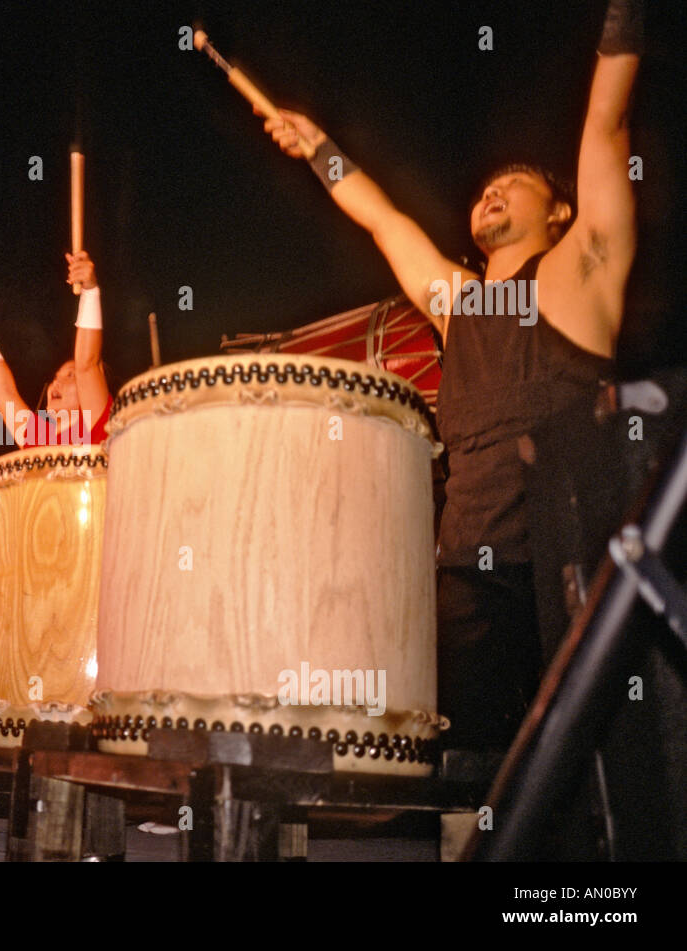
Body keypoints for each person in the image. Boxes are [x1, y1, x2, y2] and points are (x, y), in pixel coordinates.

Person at [260, 0, 640, 750]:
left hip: (572, 572)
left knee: (581, 784)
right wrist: (318, 148)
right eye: (485, 187)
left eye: (516, 182)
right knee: (462, 779)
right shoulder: (456, 304)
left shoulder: (580, 273)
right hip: (470, 575)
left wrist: (624, 23)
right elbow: (380, 218)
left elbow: (605, 126)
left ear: (559, 211)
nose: (491, 190)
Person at [0, 251, 113, 448]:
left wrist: (90, 290)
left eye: (71, 375)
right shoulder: (37, 437)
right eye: (55, 378)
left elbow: (87, 364)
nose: (56, 384)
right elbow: (4, 393)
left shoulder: (96, 422)